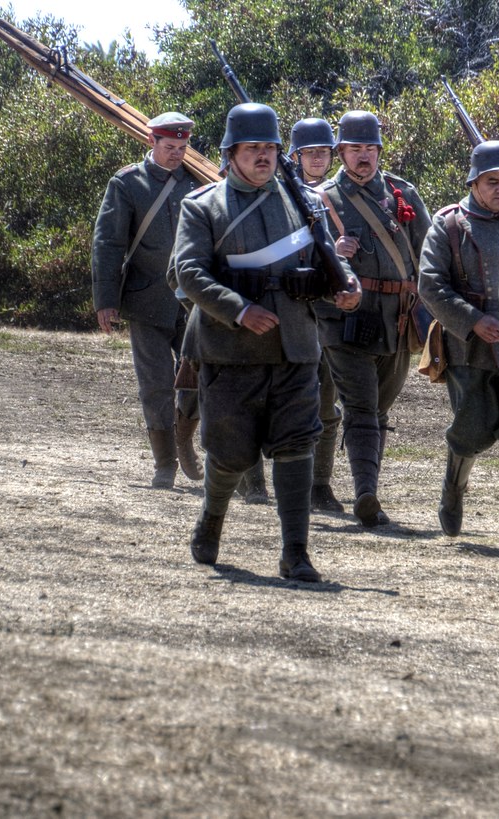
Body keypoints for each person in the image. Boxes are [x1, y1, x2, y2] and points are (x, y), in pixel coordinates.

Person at [171, 102, 361, 581]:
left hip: (296, 345)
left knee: (298, 443)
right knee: (231, 452)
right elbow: (187, 272)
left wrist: (345, 286)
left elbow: (329, 260)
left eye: (270, 148)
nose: (263, 156)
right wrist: (238, 309)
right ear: (230, 153)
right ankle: (212, 519)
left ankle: (295, 553)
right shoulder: (203, 207)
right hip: (228, 349)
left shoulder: (306, 203)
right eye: (252, 148)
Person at [316, 111, 431, 527]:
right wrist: (333, 249)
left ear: (379, 150)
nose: (363, 157)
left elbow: (429, 256)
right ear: (341, 152)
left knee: (378, 408)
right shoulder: (322, 199)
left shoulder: (403, 193)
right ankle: (367, 495)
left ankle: (357, 486)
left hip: (397, 319)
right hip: (344, 317)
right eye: (354, 149)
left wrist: (431, 314)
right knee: (361, 406)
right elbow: (306, 258)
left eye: (370, 148)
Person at [419, 141, 499, 546]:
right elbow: (430, 285)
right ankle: (454, 489)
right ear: (474, 181)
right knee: (470, 428)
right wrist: (473, 321)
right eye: (492, 181)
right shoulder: (449, 224)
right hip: (468, 347)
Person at [92, 112, 203, 488]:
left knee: (202, 375)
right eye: (169, 147)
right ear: (151, 143)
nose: (176, 154)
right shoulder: (127, 184)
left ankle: (185, 439)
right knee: (155, 382)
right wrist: (105, 298)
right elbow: (108, 243)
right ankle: (165, 463)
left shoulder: (199, 180)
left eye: (182, 147)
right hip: (147, 299)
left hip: (194, 300)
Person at [288, 117, 345, 513]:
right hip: (289, 310)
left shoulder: (342, 196)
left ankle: (320, 484)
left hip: (330, 313)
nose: (318, 159)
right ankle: (253, 477)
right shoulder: (278, 192)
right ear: (296, 157)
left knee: (328, 401)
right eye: (310, 153)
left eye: (324, 152)